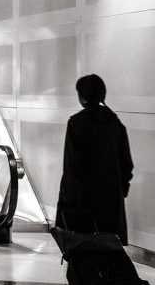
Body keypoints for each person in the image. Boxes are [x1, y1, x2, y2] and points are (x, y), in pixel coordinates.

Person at [57, 74, 134, 244]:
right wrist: (121, 189)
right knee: (108, 247)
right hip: (111, 199)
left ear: (82, 96)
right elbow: (126, 163)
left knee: (82, 248)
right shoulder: (115, 123)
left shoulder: (77, 123)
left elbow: (72, 166)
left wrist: (69, 200)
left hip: (83, 199)